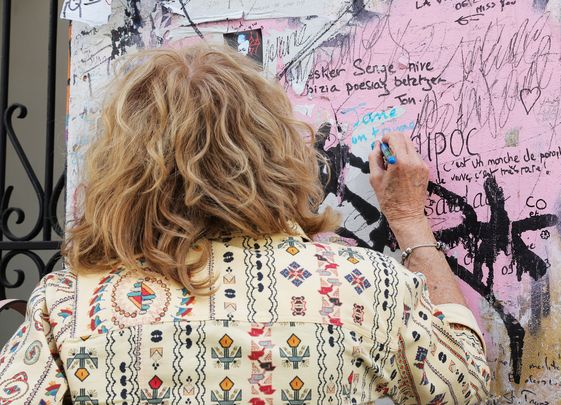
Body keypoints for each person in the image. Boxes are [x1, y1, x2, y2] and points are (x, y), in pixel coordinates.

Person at [0, 45, 490, 404]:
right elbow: (466, 387)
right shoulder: (368, 288)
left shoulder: (67, 309)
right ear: (275, 149)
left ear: (121, 169)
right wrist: (408, 221)